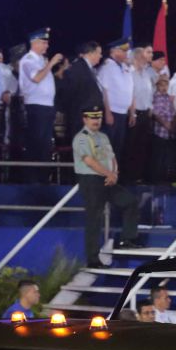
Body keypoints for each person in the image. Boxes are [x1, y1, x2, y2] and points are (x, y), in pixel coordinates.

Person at [70, 106, 139, 259]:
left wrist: (114, 173)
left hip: (107, 179)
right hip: (91, 180)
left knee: (130, 202)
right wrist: (109, 173)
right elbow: (89, 161)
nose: (96, 121)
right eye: (93, 118)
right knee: (94, 219)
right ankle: (93, 258)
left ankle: (127, 239)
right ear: (85, 119)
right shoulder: (81, 138)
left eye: (98, 117)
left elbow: (112, 157)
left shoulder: (103, 137)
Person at [17, 28, 57, 164]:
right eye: (43, 43)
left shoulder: (41, 60)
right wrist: (51, 64)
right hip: (36, 105)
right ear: (34, 43)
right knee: (36, 141)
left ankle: (43, 175)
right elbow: (37, 78)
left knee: (45, 142)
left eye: (47, 43)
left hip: (47, 105)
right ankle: (33, 176)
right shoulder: (28, 60)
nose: (47, 46)